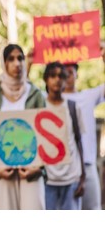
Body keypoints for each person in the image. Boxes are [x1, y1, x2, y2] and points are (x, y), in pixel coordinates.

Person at [0, 44, 46, 210]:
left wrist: (39, 168)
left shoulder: (36, 95)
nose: (17, 63)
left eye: (20, 58)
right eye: (11, 59)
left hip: (31, 171)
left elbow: (47, 135)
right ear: (4, 63)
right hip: (3, 172)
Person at [43, 62, 85, 210]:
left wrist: (82, 178)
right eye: (53, 76)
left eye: (61, 76)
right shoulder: (39, 107)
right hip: (47, 180)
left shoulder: (73, 107)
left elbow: (79, 141)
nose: (57, 79)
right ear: (46, 79)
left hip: (71, 178)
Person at [62, 62, 104, 210]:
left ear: (76, 74)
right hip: (63, 167)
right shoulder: (52, 99)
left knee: (93, 209)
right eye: (63, 73)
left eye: (70, 72)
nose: (67, 77)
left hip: (87, 162)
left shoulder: (87, 96)